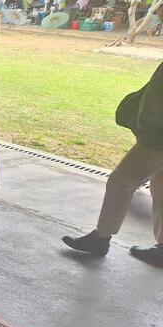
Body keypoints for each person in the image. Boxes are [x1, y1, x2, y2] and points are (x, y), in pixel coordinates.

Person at [63, 62, 163, 267]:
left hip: (157, 139)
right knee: (160, 185)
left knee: (121, 181)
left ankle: (100, 238)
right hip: (156, 136)